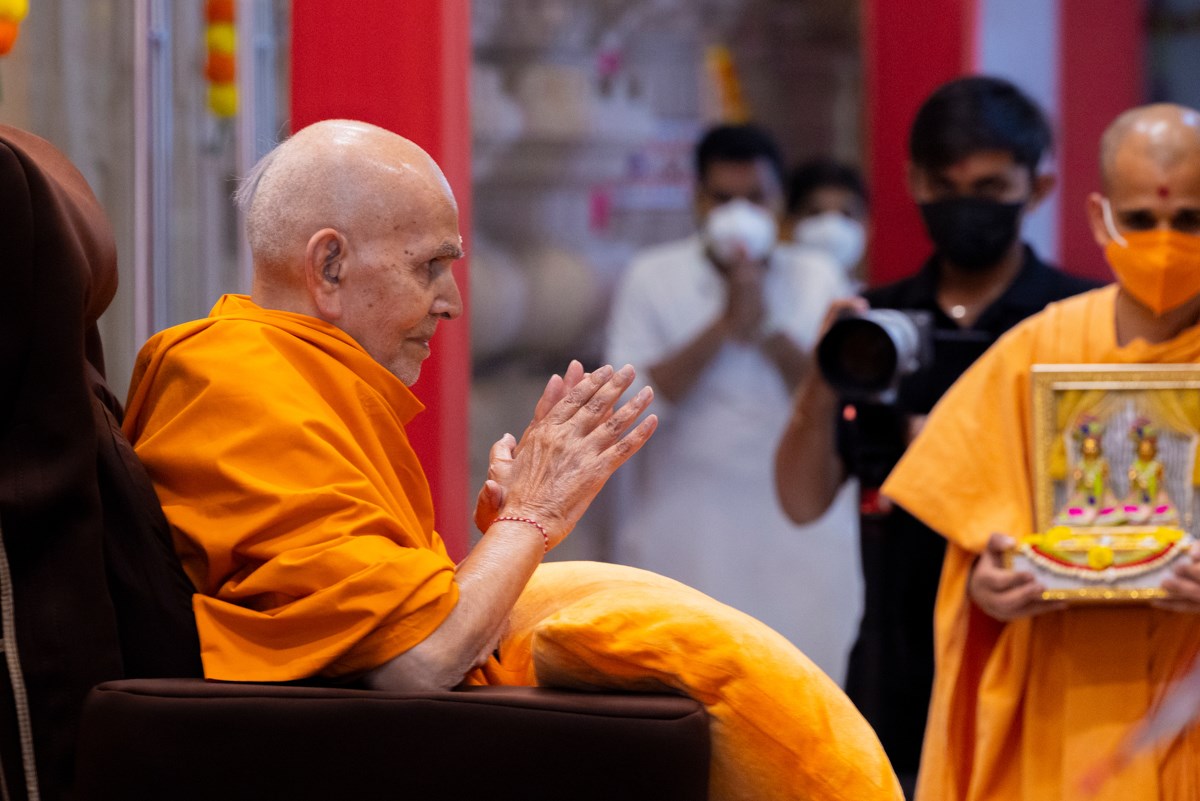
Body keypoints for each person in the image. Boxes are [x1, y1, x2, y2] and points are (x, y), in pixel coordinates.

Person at [122, 119, 902, 801]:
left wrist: (504, 536)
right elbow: (416, 660)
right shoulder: (238, 384)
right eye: (429, 266)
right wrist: (531, 516)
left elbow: (383, 627)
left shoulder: (298, 380)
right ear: (329, 267)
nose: (452, 301)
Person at [774, 75, 1101, 793]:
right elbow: (800, 500)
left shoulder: (1081, 321)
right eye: (946, 186)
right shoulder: (876, 327)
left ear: (1038, 185)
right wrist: (824, 375)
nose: (966, 206)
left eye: (990, 187)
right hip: (895, 679)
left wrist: (961, 452)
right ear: (914, 181)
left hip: (1047, 669)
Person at [882, 102, 1200, 800]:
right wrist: (987, 589)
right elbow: (977, 556)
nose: (1166, 242)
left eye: (1189, 220)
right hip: (1062, 704)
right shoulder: (1037, 350)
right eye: (1142, 218)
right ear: (1100, 218)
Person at [604, 123, 862, 681]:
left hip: (801, 541)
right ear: (699, 200)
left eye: (756, 198)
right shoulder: (652, 276)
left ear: (779, 202)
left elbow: (836, 395)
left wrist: (766, 326)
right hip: (685, 531)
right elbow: (629, 407)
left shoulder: (818, 275)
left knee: (808, 688)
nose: (740, 214)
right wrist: (724, 324)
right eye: (724, 199)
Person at [784, 157, 870, 285]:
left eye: (846, 214)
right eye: (816, 213)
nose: (831, 227)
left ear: (867, 225)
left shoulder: (876, 297)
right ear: (790, 222)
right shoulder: (766, 295)